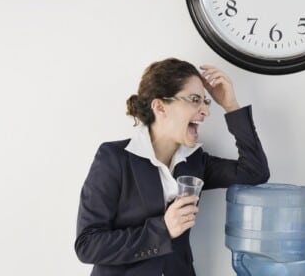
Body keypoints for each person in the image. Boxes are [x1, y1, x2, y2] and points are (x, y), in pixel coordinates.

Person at [75, 58, 270, 276]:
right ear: (159, 107)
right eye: (195, 99)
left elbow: (255, 171)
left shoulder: (195, 162)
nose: (205, 111)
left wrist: (230, 105)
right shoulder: (114, 159)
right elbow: (87, 245)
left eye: (206, 102)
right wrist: (163, 229)